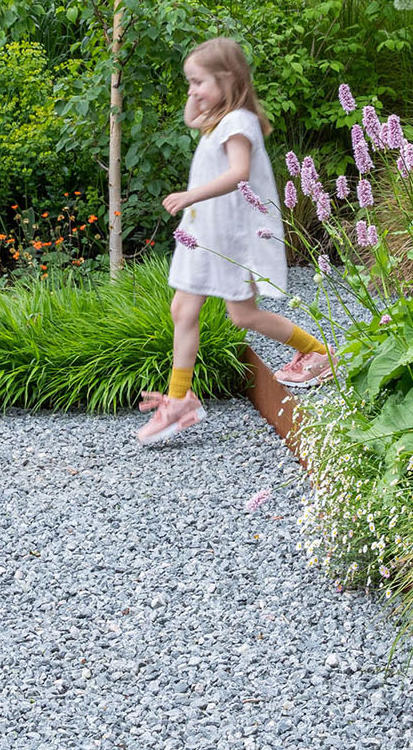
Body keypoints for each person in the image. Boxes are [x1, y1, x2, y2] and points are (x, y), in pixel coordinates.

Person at [139, 38, 332, 447]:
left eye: (199, 82)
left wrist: (191, 195)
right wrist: (200, 93)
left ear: (228, 80)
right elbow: (192, 118)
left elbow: (240, 173)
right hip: (209, 232)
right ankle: (181, 398)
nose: (191, 91)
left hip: (228, 235)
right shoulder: (217, 120)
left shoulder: (239, 123)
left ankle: (316, 352)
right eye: (188, 82)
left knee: (222, 312)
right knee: (199, 309)